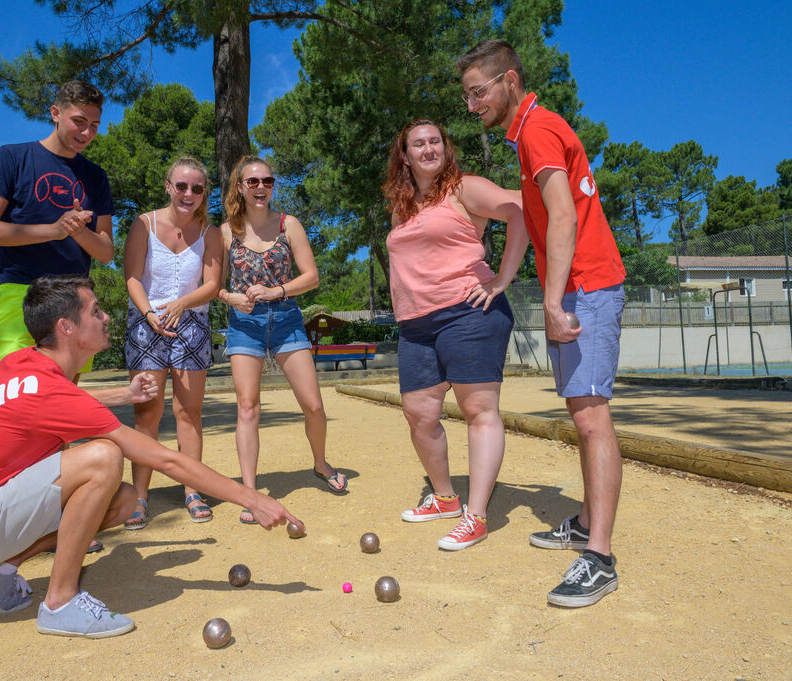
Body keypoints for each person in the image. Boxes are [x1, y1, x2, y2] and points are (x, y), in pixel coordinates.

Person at [0, 275, 300, 639]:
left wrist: (123, 395)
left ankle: (3, 568)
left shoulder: (19, 365)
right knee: (103, 457)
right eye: (96, 311)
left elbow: (52, 405)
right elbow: (165, 460)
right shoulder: (50, 388)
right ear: (66, 327)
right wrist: (252, 497)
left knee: (124, 501)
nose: (107, 318)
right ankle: (59, 603)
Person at [458, 39, 628, 607]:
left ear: (510, 81)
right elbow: (532, 219)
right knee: (582, 412)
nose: (473, 104)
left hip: (589, 286)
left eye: (479, 91)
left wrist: (553, 301)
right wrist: (507, 280)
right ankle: (584, 521)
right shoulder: (528, 135)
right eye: (467, 96)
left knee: (592, 419)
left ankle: (598, 556)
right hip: (579, 286)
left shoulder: (538, 129)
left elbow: (561, 216)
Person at [382, 120, 527, 551]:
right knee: (419, 413)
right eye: (417, 144)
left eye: (435, 141)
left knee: (478, 411)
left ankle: (476, 516)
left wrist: (504, 277)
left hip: (469, 312)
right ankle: (445, 498)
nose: (428, 148)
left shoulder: (465, 189)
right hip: (416, 323)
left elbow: (520, 208)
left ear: (445, 148)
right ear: (404, 156)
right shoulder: (402, 207)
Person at [218, 156, 348, 524]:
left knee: (314, 406)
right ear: (240, 187)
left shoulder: (289, 225)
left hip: (287, 319)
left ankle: (320, 464)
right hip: (244, 324)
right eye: (253, 182)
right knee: (248, 408)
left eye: (268, 181)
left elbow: (311, 277)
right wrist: (232, 298)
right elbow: (214, 287)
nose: (261, 188)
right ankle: (249, 491)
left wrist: (276, 292)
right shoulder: (226, 231)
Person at [0, 79, 113, 378]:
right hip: (19, 294)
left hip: (75, 299)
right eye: (79, 121)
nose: (86, 133)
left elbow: (105, 252)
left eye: (95, 125)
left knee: (61, 407)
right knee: (19, 397)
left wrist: (77, 232)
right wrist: (53, 230)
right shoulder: (12, 157)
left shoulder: (96, 177)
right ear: (55, 113)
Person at [121, 157, 222, 528]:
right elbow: (132, 278)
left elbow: (211, 285)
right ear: (168, 186)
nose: (189, 194)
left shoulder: (211, 232)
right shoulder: (143, 224)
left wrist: (182, 303)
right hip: (147, 324)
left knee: (189, 413)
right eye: (181, 186)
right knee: (147, 415)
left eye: (197, 188)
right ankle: (140, 497)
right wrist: (150, 313)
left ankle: (192, 490)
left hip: (193, 324)